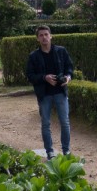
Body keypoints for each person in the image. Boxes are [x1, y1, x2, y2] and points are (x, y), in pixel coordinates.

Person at [25, 25, 74, 158]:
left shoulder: (61, 51)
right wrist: (44, 78)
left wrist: (68, 77)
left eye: (46, 34)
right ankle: (50, 152)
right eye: (41, 35)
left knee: (65, 122)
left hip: (60, 92)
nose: (44, 37)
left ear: (51, 36)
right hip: (44, 94)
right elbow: (30, 75)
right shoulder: (34, 56)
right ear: (37, 39)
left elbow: (69, 67)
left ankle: (66, 150)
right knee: (46, 124)